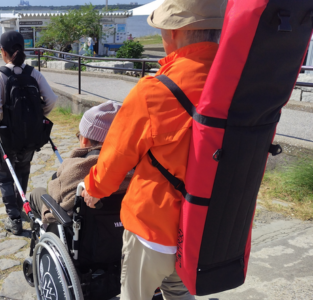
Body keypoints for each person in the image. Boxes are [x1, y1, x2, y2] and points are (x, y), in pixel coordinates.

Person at [81, 0, 225, 299]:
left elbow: (116, 156)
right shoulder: (236, 83)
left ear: (173, 33)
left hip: (154, 228)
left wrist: (93, 189)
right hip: (207, 226)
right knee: (179, 291)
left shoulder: (155, 90)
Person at [0, 31, 58, 235]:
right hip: (30, 135)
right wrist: (37, 115)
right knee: (23, 171)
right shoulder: (33, 73)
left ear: (3, 51)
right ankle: (21, 206)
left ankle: (14, 218)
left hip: (7, 135)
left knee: (6, 176)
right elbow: (51, 99)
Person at [27, 101, 130, 225]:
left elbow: (54, 197)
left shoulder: (75, 168)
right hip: (123, 230)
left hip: (81, 233)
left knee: (36, 193)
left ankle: (38, 234)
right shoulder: (136, 167)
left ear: (85, 140)